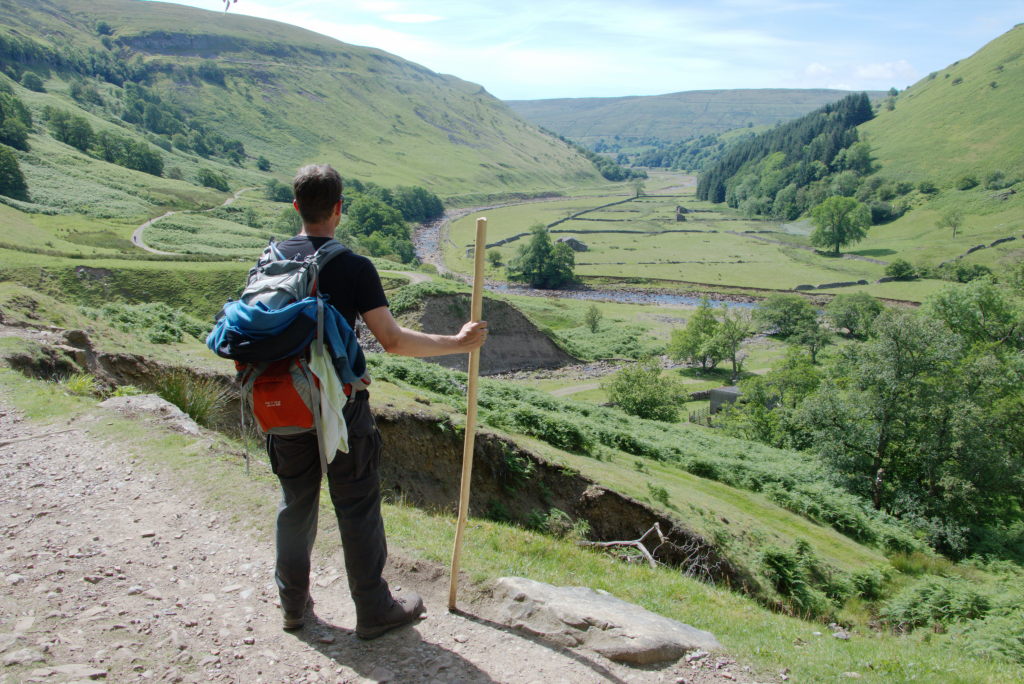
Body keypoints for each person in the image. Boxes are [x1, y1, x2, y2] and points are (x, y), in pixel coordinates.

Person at [268, 164, 487, 639]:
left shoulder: (270, 259)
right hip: (339, 406)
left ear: (296, 207)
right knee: (357, 505)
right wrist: (459, 341)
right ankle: (373, 609)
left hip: (282, 400)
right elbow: (392, 340)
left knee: (295, 504)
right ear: (339, 209)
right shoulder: (353, 266)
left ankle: (292, 606)